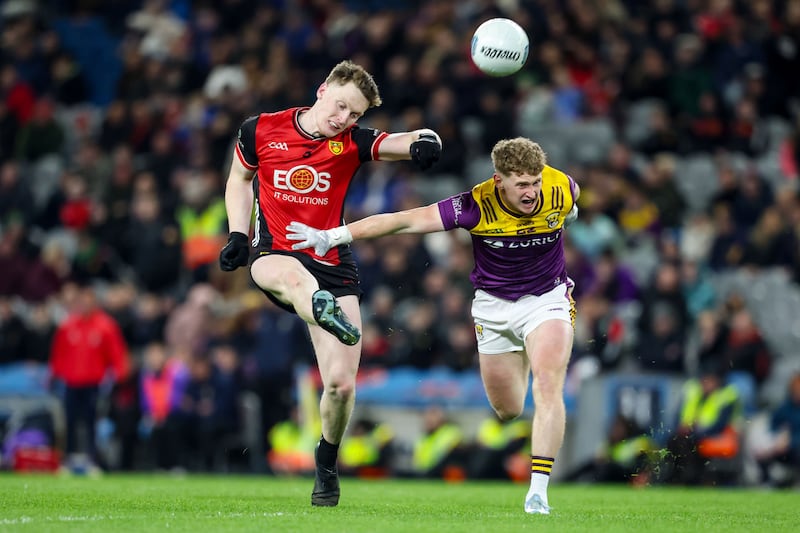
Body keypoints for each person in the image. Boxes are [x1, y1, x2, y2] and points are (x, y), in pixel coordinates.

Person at [287, 137, 579, 514]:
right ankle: (526, 347)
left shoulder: (561, 187)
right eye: (521, 184)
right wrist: (333, 236)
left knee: (547, 385)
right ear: (499, 180)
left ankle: (538, 491)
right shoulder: (475, 205)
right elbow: (404, 221)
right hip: (494, 308)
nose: (532, 191)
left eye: (535, 181)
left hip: (547, 299)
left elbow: (573, 199)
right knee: (507, 409)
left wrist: (568, 214)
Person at [217, 60, 442, 506]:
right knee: (294, 278)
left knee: (340, 385)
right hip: (274, 256)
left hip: (333, 264)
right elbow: (239, 179)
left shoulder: (352, 143)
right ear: (322, 90)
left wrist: (427, 142)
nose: (344, 119)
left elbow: (404, 140)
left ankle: (326, 461)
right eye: (341, 106)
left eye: (355, 114)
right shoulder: (259, 129)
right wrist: (238, 234)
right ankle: (317, 304)